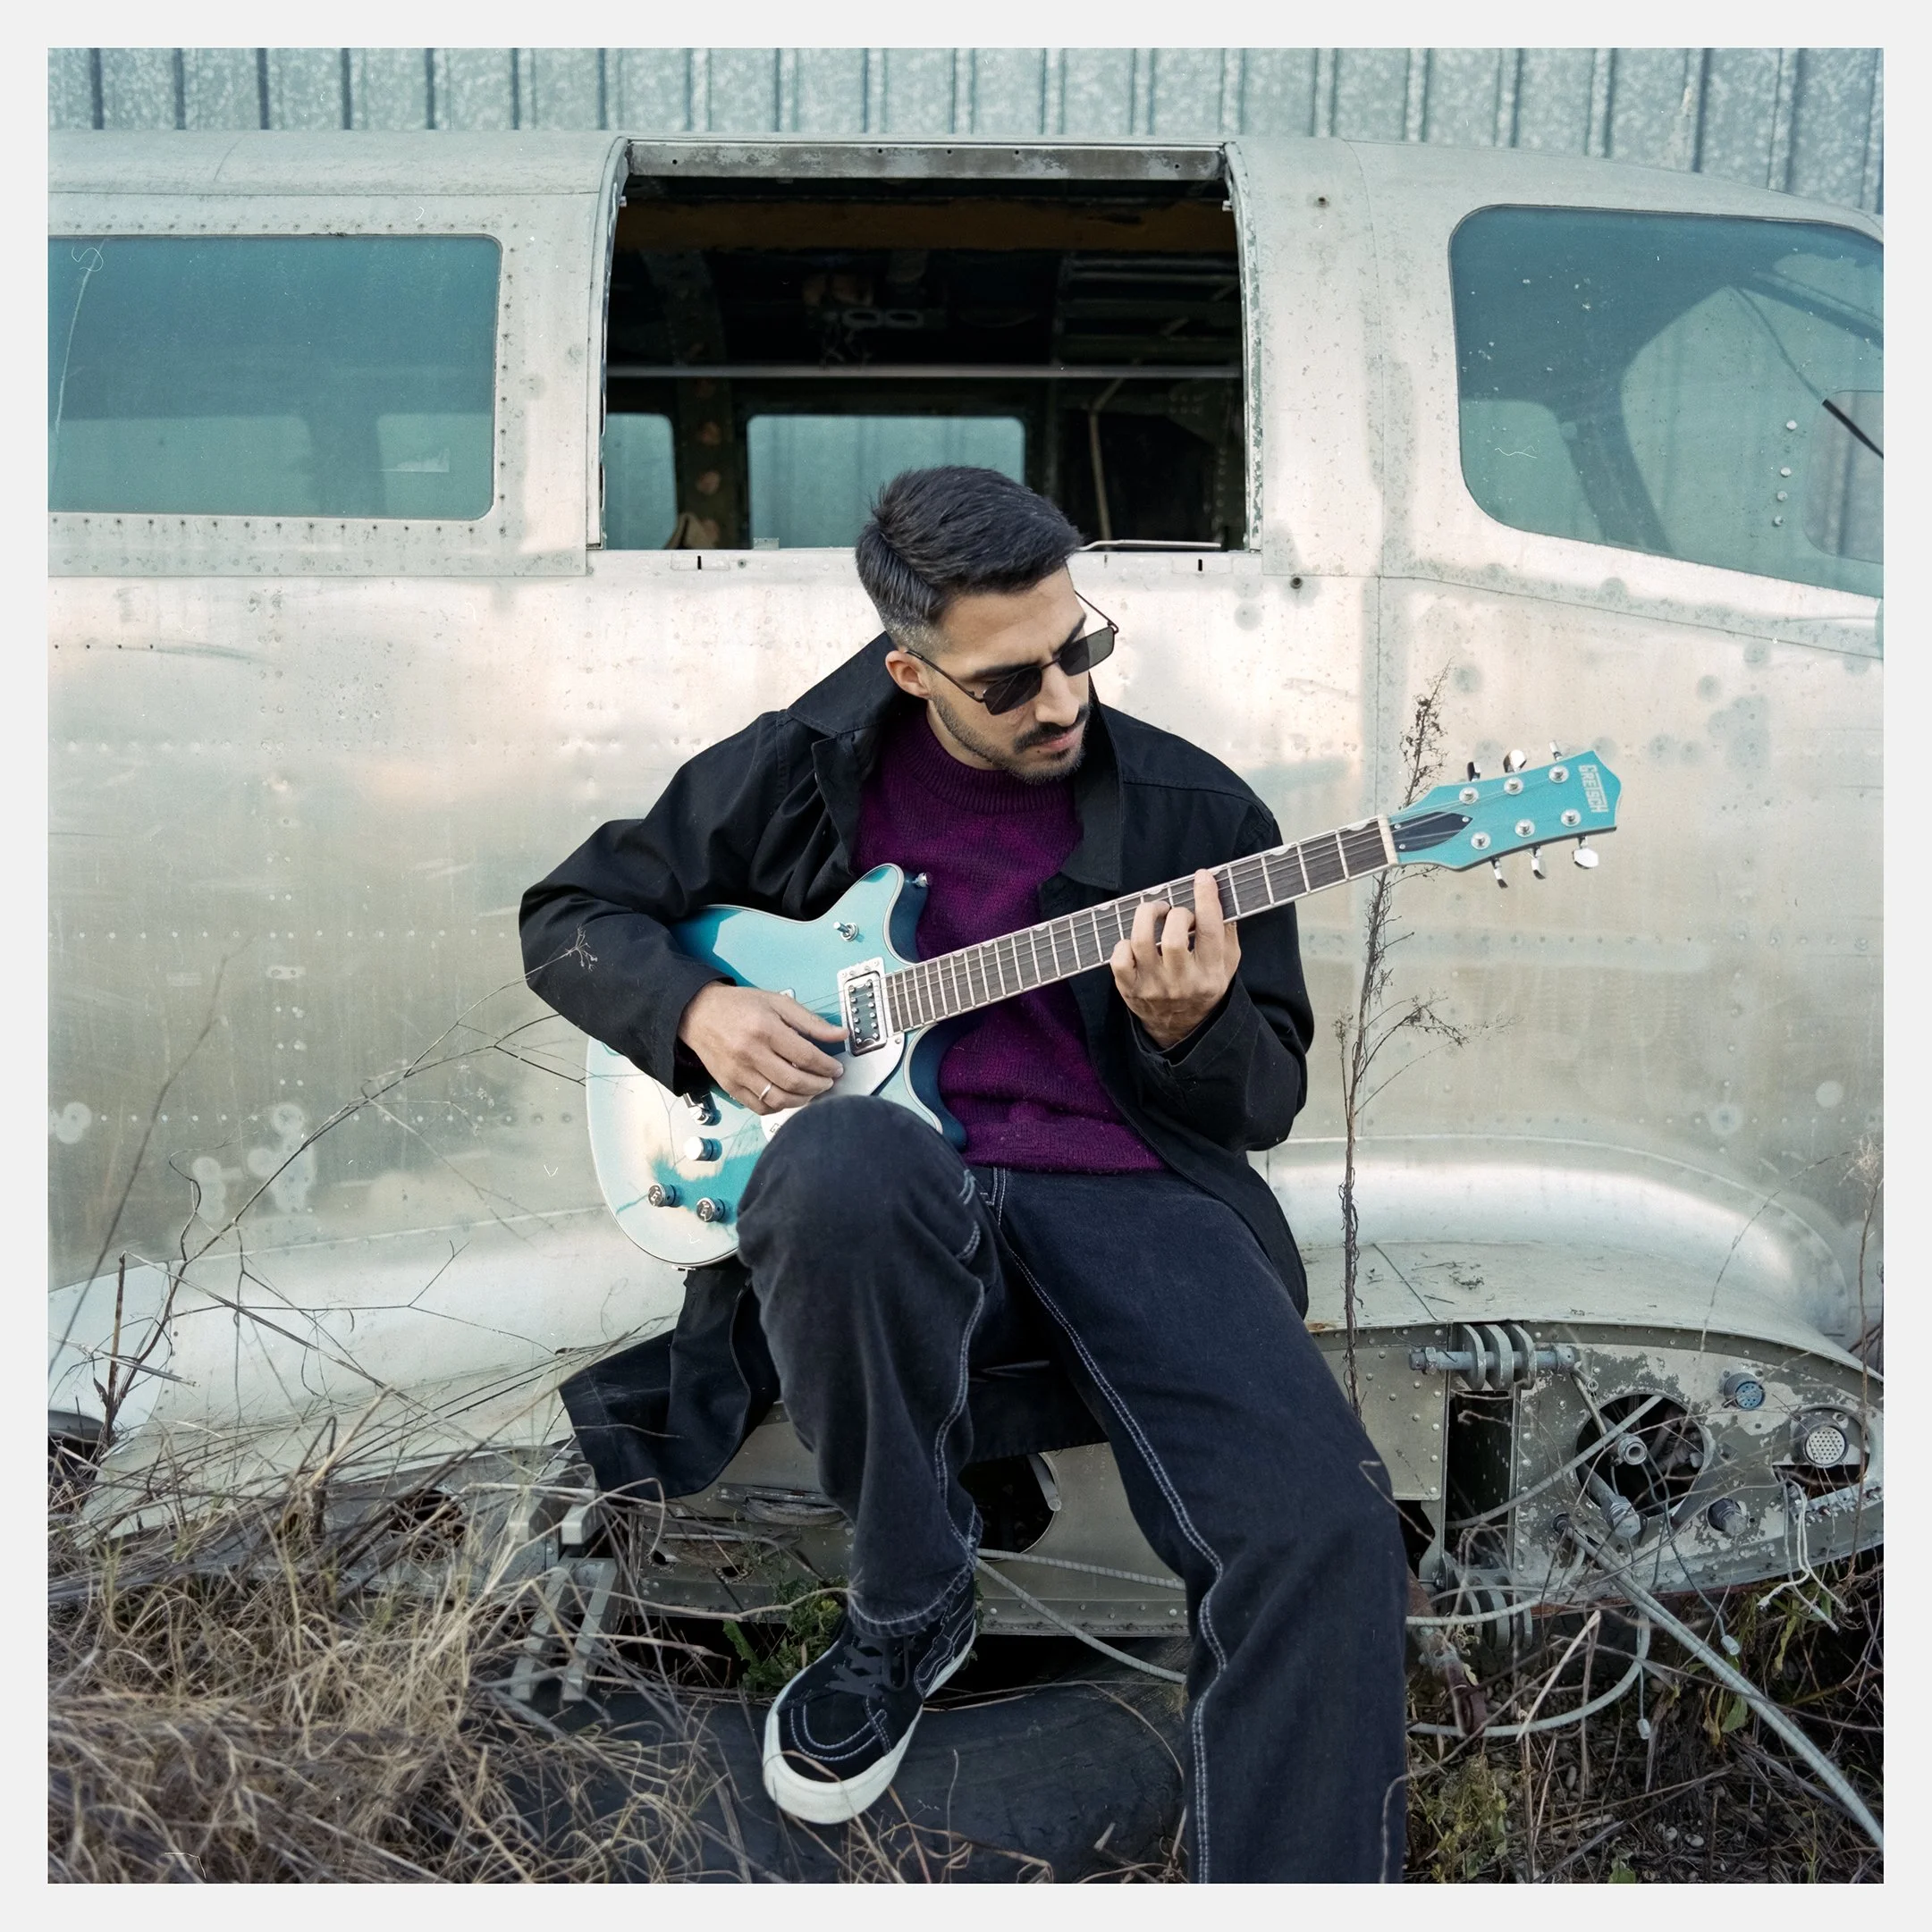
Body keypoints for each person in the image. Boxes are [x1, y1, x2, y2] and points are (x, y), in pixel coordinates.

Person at [520, 467, 1409, 1882]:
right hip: (901, 1194)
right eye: (1010, 684)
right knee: (841, 1165)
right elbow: (571, 916)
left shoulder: (1193, 815)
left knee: (1324, 1530)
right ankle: (910, 1598)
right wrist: (697, 1010)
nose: (1061, 700)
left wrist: (1192, 1029)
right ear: (909, 668)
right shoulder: (801, 763)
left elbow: (1267, 1095)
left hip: (1134, 1196)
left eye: (1082, 651)